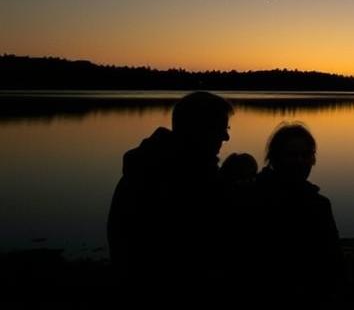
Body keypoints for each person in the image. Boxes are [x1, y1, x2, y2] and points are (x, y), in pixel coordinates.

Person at [107, 91, 233, 300]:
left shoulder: (154, 165)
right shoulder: (172, 179)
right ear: (198, 130)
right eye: (221, 128)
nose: (226, 137)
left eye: (226, 128)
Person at [249, 122, 340, 301]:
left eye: (305, 155)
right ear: (275, 158)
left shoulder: (320, 204)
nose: (300, 161)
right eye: (292, 155)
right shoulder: (252, 198)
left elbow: (333, 260)